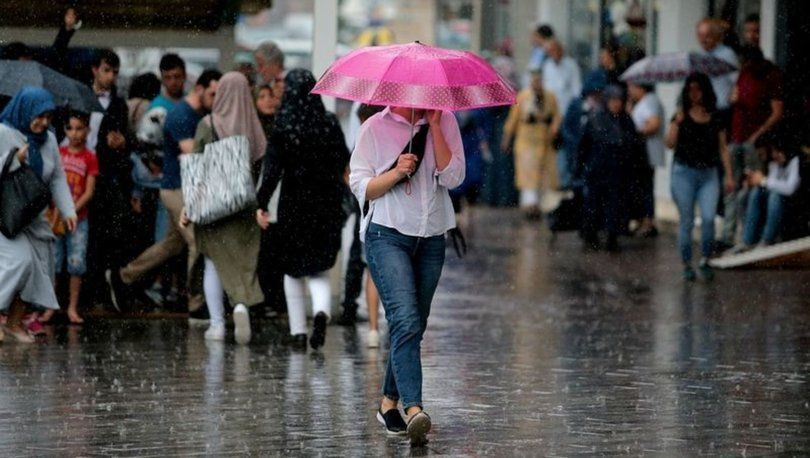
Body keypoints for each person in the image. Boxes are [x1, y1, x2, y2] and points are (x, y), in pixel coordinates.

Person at [349, 101, 465, 444]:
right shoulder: (374, 128)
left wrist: (436, 127)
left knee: (414, 324)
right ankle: (414, 408)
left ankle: (388, 403)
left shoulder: (446, 122)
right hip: (387, 234)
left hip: (431, 238)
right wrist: (397, 171)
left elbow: (454, 177)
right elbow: (361, 187)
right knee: (405, 319)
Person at [107, 70, 222, 316]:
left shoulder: (197, 114)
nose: (216, 98)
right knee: (197, 243)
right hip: (176, 189)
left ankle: (124, 276)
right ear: (199, 89)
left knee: (172, 244)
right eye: (213, 93)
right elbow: (190, 153)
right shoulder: (181, 114)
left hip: (183, 188)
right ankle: (196, 301)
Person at [256, 69, 349, 350]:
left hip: (294, 207)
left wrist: (260, 204)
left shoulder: (284, 126)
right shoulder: (329, 122)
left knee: (292, 271)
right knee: (319, 269)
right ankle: (320, 312)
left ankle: (298, 332)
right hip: (327, 205)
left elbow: (271, 172)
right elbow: (343, 160)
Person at [185, 71, 265, 344]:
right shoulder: (253, 126)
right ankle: (241, 305)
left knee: (212, 261)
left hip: (214, 204)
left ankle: (217, 324)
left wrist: (191, 205)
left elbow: (196, 164)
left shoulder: (208, 124)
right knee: (243, 262)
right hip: (245, 205)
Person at [0, 88, 77, 343]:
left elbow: (56, 177)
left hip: (32, 216)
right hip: (6, 217)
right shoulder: (4, 132)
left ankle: (14, 322)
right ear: (25, 110)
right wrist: (13, 160)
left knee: (40, 269)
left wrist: (68, 210)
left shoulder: (49, 139)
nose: (43, 122)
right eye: (38, 115)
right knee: (20, 262)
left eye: (48, 116)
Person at [666, 73, 735, 281]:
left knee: (708, 218)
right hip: (684, 172)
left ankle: (705, 258)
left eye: (698, 89)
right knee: (686, 220)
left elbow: (723, 148)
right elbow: (669, 144)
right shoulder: (681, 115)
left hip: (708, 173)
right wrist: (676, 123)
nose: (694, 94)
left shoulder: (715, 117)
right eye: (690, 90)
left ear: (705, 90)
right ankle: (687, 263)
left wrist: (729, 175)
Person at [721, 45, 784, 248]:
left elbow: (777, 111)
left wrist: (758, 136)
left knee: (753, 188)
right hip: (737, 136)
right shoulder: (743, 74)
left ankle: (749, 235)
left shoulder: (770, 75)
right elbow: (734, 98)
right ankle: (729, 235)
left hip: (754, 140)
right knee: (732, 186)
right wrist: (733, 99)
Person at [40, 111, 98, 325]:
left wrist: (71, 210)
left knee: (76, 263)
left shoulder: (89, 157)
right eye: (70, 128)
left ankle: (72, 307)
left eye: (79, 128)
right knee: (53, 262)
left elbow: (89, 191)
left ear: (87, 130)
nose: (74, 133)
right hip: (56, 217)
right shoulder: (59, 153)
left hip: (78, 219)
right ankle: (50, 307)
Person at [337, 103, 385, 350]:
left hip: (368, 214)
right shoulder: (389, 140)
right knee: (373, 268)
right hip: (382, 214)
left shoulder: (364, 142)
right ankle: (377, 325)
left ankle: (373, 327)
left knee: (366, 266)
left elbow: (352, 176)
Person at [577, 85, 645, 252]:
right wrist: (580, 168)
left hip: (619, 171)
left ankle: (612, 236)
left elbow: (633, 144)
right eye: (613, 100)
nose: (616, 104)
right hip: (598, 170)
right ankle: (591, 234)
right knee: (594, 204)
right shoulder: (595, 118)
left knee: (616, 205)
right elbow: (584, 146)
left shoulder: (626, 121)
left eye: (619, 100)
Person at [502, 70, 561, 219]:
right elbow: (512, 121)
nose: (536, 84)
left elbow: (557, 117)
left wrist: (554, 130)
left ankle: (542, 207)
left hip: (545, 143)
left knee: (544, 177)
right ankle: (530, 207)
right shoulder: (522, 97)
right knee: (528, 177)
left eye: (539, 81)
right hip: (526, 143)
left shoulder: (550, 97)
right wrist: (506, 140)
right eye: (534, 81)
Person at [739, 135, 800, 249]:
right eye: (773, 152)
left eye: (778, 152)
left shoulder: (795, 161)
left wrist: (763, 180)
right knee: (755, 192)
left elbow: (790, 188)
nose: (775, 155)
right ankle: (747, 240)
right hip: (773, 204)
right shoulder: (773, 164)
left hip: (791, 203)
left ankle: (767, 240)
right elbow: (769, 184)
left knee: (775, 196)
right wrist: (754, 181)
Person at [542, 40, 582, 189]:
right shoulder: (547, 66)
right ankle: (556, 180)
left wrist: (569, 112)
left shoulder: (570, 65)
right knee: (554, 147)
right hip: (551, 114)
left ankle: (567, 181)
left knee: (567, 146)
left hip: (567, 114)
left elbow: (576, 90)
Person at [628, 82, 666, 237]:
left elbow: (654, 123)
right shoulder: (642, 103)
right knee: (641, 187)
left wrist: (637, 131)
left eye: (631, 87)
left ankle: (648, 221)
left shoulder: (651, 100)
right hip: (641, 154)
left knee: (645, 187)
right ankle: (642, 219)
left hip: (647, 153)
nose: (629, 90)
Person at [696, 18, 739, 112]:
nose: (703, 40)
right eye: (700, 36)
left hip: (722, 108)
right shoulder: (701, 55)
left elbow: (737, 81)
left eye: (707, 36)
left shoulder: (727, 54)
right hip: (706, 110)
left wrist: (731, 99)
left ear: (716, 36)